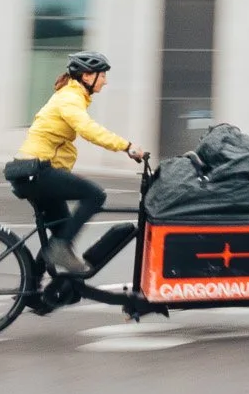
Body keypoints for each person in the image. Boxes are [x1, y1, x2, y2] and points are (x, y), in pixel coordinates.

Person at [9, 51, 147, 277]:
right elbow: (88, 129)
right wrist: (127, 146)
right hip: (37, 171)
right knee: (95, 195)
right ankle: (60, 251)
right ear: (86, 76)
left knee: (62, 231)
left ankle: (33, 293)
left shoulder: (72, 96)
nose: (105, 81)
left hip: (35, 171)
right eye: (102, 75)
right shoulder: (70, 98)